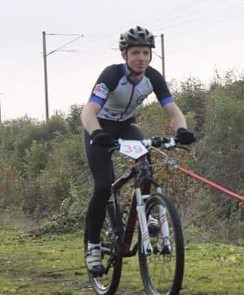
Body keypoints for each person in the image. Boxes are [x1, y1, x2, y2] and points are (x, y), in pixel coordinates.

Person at [81, 26, 196, 275]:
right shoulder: (111, 75)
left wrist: (182, 130)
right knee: (102, 187)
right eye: (136, 53)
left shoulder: (152, 77)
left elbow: (171, 107)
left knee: (146, 162)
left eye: (146, 52)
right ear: (124, 54)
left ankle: (146, 210)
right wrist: (97, 133)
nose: (142, 58)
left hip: (126, 127)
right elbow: (89, 111)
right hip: (99, 129)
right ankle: (93, 246)